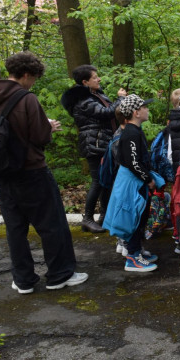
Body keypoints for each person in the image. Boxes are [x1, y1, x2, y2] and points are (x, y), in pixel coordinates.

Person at [0, 52, 88, 293]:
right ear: (26, 75)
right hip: (32, 171)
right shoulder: (26, 99)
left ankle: (23, 279)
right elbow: (38, 137)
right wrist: (49, 127)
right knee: (51, 223)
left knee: (15, 227)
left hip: (2, 173)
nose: (33, 82)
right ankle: (60, 274)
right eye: (34, 78)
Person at [60, 64, 126, 233]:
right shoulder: (83, 100)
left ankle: (104, 216)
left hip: (103, 142)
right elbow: (106, 113)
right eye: (95, 77)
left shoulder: (95, 95)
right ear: (85, 82)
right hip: (94, 144)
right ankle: (87, 218)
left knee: (106, 180)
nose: (99, 79)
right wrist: (120, 99)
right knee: (98, 182)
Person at [113, 94, 159, 272]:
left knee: (141, 217)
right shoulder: (131, 133)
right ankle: (132, 258)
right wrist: (148, 179)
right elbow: (134, 162)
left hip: (138, 181)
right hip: (134, 183)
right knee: (134, 217)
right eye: (144, 107)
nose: (147, 109)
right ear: (136, 112)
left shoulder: (135, 131)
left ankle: (137, 250)